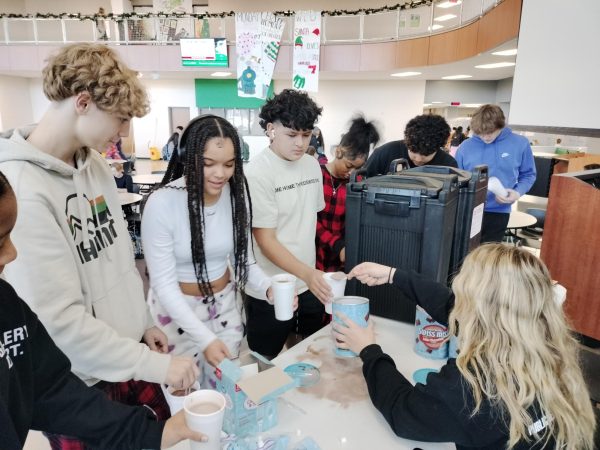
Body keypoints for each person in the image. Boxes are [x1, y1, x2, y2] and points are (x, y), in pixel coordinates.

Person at [0, 43, 198, 449]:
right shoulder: (24, 188)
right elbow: (61, 324)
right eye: (121, 119)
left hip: (126, 358)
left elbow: (119, 259)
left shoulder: (94, 164)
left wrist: (142, 323)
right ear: (83, 103)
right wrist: (155, 365)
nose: (123, 132)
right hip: (79, 382)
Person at [0, 170, 207, 450]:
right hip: (97, 368)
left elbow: (52, 389)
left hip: (122, 362)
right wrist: (156, 366)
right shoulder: (30, 186)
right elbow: (64, 327)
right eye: (0, 241)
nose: (12, 253)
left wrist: (152, 433)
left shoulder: (8, 305)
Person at [335, 244, 596, 450]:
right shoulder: (545, 343)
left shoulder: (475, 387)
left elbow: (404, 413)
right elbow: (453, 307)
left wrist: (369, 350)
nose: (458, 302)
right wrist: (395, 276)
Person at [142, 115, 287, 388]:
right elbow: (162, 284)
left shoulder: (235, 196)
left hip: (224, 307)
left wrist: (269, 288)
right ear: (187, 157)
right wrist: (205, 338)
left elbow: (244, 261)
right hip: (175, 314)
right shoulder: (162, 204)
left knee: (227, 391)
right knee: (186, 395)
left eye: (229, 164)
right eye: (208, 164)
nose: (220, 173)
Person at [244, 89, 331, 359]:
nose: (300, 143)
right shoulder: (257, 172)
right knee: (264, 359)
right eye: (292, 135)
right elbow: (265, 239)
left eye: (306, 135)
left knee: (306, 353)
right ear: (271, 129)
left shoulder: (312, 166)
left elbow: (309, 222)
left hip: (309, 282)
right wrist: (307, 273)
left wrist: (309, 275)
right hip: (270, 286)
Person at [456, 104, 536, 243]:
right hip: (467, 210)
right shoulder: (465, 147)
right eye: (480, 133)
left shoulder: (520, 144)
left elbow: (528, 175)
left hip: (499, 211)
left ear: (501, 126)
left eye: (490, 132)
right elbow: (457, 178)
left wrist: (516, 193)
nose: (486, 137)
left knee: (488, 257)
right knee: (463, 256)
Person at [316, 115, 380, 274]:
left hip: (343, 257)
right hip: (315, 251)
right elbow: (309, 219)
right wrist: (336, 244)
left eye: (356, 168)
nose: (350, 173)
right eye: (348, 165)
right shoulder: (316, 175)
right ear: (338, 152)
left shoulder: (357, 184)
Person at [364, 114, 457, 177]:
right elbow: (361, 185)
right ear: (407, 141)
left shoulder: (448, 165)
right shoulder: (384, 153)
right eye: (414, 151)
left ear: (438, 148)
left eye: (426, 155)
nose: (418, 159)